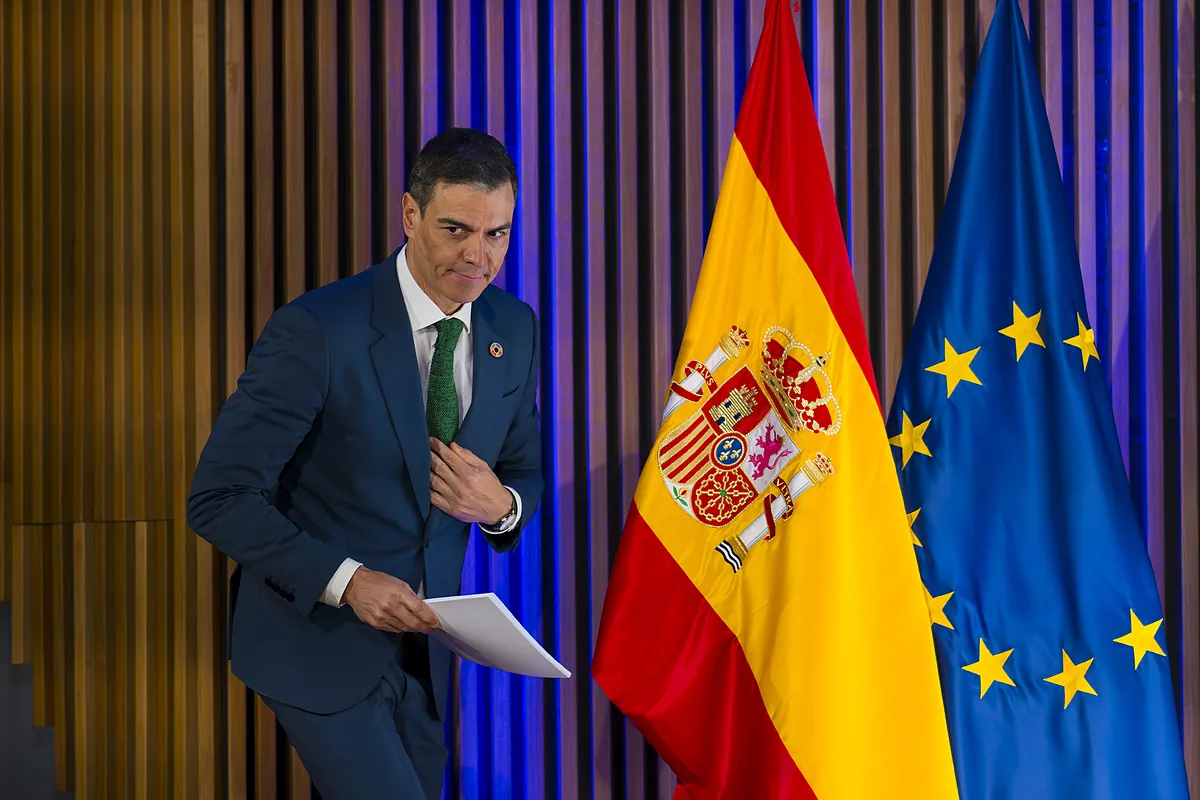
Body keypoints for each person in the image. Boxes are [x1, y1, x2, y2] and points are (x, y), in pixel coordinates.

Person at [186, 127, 543, 800]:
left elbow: (523, 472)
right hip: (314, 640)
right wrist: (348, 582)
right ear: (409, 214)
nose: (479, 256)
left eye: (497, 234)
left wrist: (503, 509)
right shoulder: (319, 329)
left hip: (424, 654)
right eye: (457, 229)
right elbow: (219, 498)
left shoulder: (514, 328)